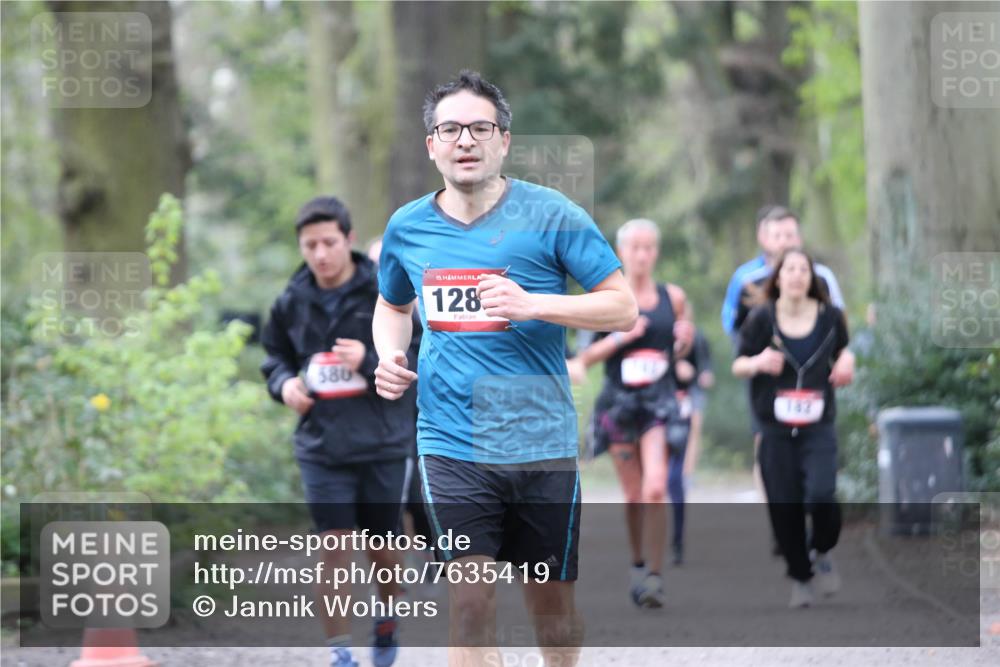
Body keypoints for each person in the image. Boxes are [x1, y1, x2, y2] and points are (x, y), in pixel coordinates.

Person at [371, 71, 637, 666]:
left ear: (504, 141)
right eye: (450, 129)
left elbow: (622, 307)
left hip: (540, 443)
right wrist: (389, 353)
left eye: (480, 128)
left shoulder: (552, 214)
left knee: (552, 613)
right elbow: (392, 306)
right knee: (469, 606)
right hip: (451, 443)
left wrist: (534, 304)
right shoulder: (407, 227)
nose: (465, 140)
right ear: (431, 145)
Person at [261, 197, 418, 667]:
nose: (320, 254)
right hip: (321, 447)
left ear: (348, 240)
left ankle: (386, 617)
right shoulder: (290, 301)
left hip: (383, 442)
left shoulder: (386, 292)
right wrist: (283, 384)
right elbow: (274, 357)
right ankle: (340, 653)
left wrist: (367, 361)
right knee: (334, 547)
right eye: (309, 245)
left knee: (383, 549)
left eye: (328, 242)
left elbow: (418, 358)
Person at [567, 218, 694, 607]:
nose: (642, 255)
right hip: (620, 406)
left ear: (656, 252)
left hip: (659, 403)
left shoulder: (673, 297)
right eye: (635, 248)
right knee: (635, 495)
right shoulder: (603, 298)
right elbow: (582, 359)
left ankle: (655, 577)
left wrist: (684, 341)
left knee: (656, 488)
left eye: (648, 247)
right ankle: (637, 564)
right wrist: (621, 337)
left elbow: (680, 347)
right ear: (621, 252)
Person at [731, 248, 853, 608]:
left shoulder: (830, 317)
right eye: (790, 269)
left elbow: (844, 350)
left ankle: (822, 548)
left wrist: (847, 362)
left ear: (812, 278)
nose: (797, 275)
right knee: (784, 507)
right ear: (779, 277)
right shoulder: (761, 318)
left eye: (803, 269)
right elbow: (738, 364)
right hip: (774, 428)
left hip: (818, 425)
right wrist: (758, 362)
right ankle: (800, 577)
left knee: (822, 494)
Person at [667, 327, 713, 565]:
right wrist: (672, 360)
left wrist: (701, 374)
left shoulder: (699, 337)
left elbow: (706, 367)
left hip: (689, 395)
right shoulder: (660, 335)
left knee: (694, 426)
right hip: (659, 401)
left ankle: (687, 473)